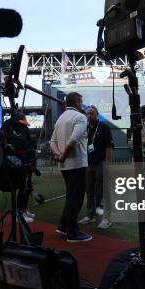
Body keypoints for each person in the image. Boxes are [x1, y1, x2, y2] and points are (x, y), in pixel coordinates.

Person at [50, 92, 92, 243]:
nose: (82, 104)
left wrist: (58, 155)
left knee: (70, 196)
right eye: (81, 101)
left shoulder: (61, 118)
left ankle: (63, 225)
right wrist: (62, 155)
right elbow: (73, 140)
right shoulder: (80, 117)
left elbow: (52, 141)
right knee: (77, 198)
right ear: (77, 102)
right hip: (77, 164)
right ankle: (72, 232)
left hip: (65, 165)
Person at [78, 106, 114, 229]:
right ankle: (90, 215)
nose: (89, 115)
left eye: (92, 113)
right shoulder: (85, 128)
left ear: (97, 114)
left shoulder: (104, 127)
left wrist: (107, 164)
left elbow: (109, 146)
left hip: (101, 163)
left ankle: (107, 218)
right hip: (88, 164)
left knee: (103, 191)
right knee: (89, 191)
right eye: (87, 113)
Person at [3, 109, 37, 223]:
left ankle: (23, 209)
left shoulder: (23, 126)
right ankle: (19, 213)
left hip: (26, 159)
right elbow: (7, 143)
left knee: (28, 187)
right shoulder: (7, 126)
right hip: (15, 161)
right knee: (23, 186)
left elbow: (29, 140)